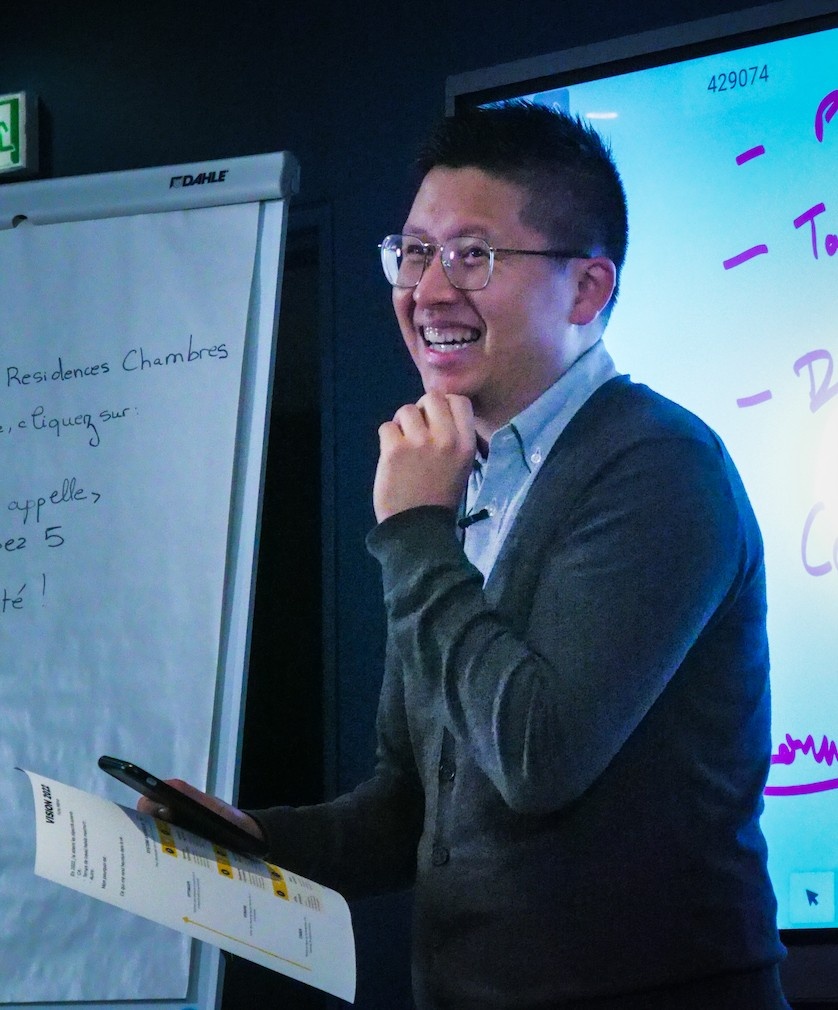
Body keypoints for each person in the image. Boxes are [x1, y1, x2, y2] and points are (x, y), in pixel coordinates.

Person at [143, 102, 790, 1009]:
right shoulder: (461, 478)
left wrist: (415, 535)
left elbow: (537, 757)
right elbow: (414, 808)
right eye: (414, 253)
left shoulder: (660, 467)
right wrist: (251, 840)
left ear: (587, 290)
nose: (429, 291)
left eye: (473, 256)